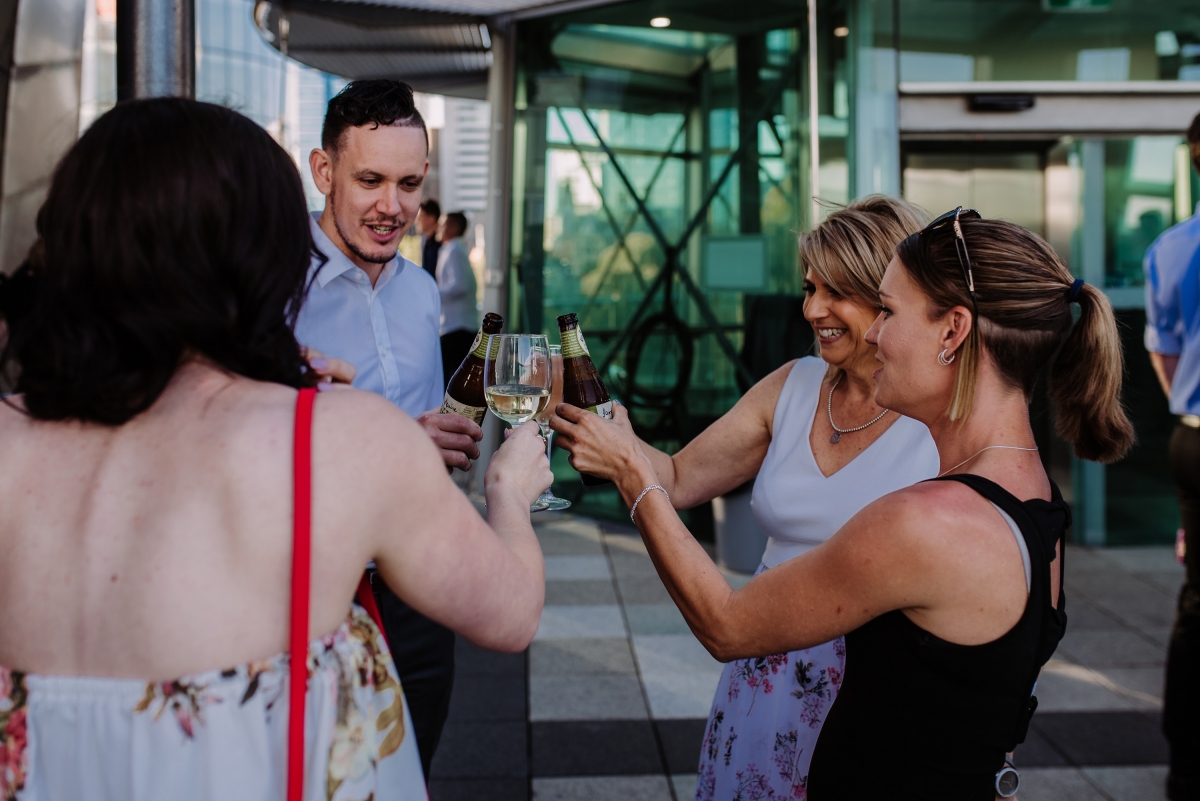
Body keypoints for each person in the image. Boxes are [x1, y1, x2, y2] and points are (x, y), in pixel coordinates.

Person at [0, 97, 550, 800]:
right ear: (258, 252)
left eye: (409, 183)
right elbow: (512, 614)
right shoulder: (346, 434)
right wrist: (510, 487)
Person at [554, 210, 1134, 800]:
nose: (876, 334)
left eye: (889, 311)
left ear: (952, 332)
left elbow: (725, 625)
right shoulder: (1037, 502)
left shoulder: (924, 520)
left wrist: (633, 476)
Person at [584, 196, 937, 798]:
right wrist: (611, 432)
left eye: (837, 292)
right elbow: (679, 477)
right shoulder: (794, 384)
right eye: (810, 289)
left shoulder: (939, 415)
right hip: (764, 671)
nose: (813, 310)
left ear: (889, 299)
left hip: (877, 680)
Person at [295, 79, 476, 777]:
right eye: (369, 180)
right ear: (324, 171)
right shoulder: (272, 287)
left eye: (408, 183)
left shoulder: (423, 291)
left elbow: (425, 433)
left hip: (418, 579)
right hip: (316, 588)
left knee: (412, 766)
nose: (392, 207)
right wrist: (400, 444)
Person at [1144, 110, 1200, 801]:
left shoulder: (1172, 247)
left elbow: (1165, 355)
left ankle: (1186, 767)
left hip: (1193, 432)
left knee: (1197, 603)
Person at [435, 211, 478, 386]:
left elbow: (460, 285)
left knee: (453, 381)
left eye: (443, 224)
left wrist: (435, 294)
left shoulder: (455, 250)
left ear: (454, 228)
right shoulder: (452, 249)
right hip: (454, 325)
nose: (439, 227)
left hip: (457, 327)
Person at [417, 199, 441, 278]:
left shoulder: (441, 244)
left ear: (431, 219)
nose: (417, 221)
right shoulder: (424, 241)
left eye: (420, 217)